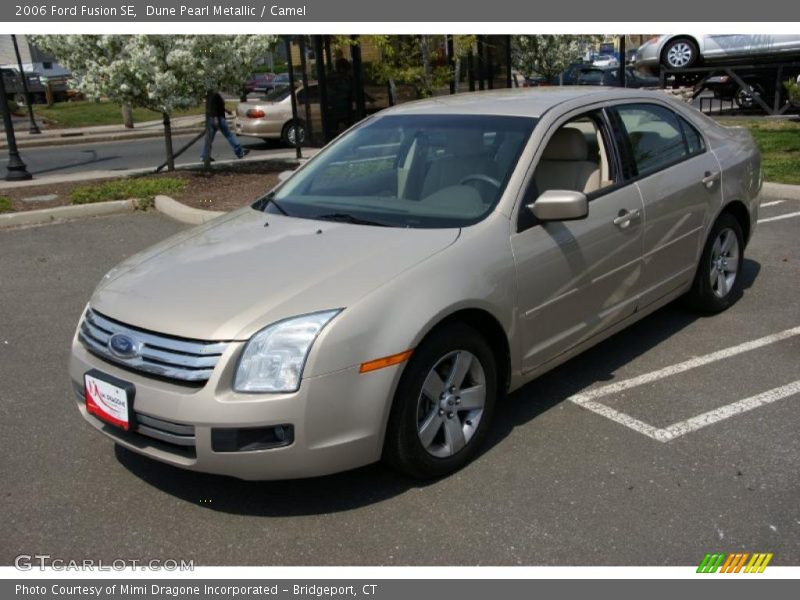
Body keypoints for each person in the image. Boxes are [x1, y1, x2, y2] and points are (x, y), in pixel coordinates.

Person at [201, 90, 250, 161]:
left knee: (209, 138)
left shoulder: (209, 95)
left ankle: (204, 156)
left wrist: (227, 111)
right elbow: (214, 108)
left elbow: (218, 106)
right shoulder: (215, 95)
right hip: (218, 118)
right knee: (229, 135)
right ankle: (239, 152)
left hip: (211, 118)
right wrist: (216, 119)